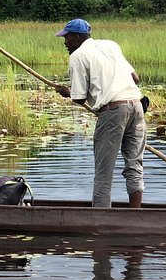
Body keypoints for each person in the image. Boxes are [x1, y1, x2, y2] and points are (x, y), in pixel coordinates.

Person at [54, 18, 146, 208]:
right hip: (137, 106)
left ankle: (101, 220)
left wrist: (66, 92)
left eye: (67, 38)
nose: (65, 43)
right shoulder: (111, 45)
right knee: (134, 166)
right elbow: (135, 78)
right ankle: (136, 215)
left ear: (76, 37)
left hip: (113, 112)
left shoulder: (78, 56)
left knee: (103, 173)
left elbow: (79, 98)